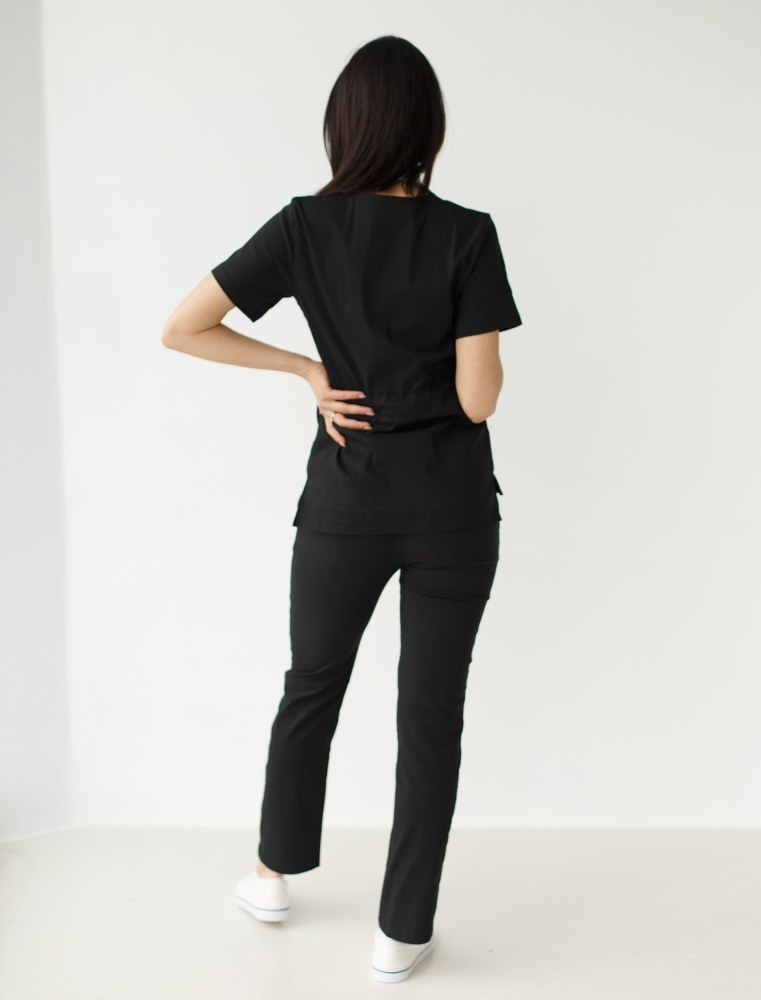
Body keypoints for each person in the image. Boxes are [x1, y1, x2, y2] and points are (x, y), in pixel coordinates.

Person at [162, 35, 522, 984]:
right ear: (427, 128)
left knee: (311, 687)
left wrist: (307, 369)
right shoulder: (468, 234)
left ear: (344, 126)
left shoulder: (303, 228)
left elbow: (184, 327)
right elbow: (479, 400)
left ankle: (272, 876)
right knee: (430, 719)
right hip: (451, 513)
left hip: (343, 505)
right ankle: (402, 932)